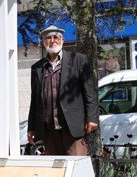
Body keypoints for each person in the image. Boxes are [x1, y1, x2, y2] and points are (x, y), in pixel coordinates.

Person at [27, 25, 99, 155]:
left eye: (56, 37)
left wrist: (92, 117)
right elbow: (35, 100)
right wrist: (31, 127)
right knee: (56, 172)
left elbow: (89, 92)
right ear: (44, 42)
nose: (53, 40)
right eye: (48, 38)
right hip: (48, 130)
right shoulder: (37, 68)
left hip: (72, 127)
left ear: (62, 40)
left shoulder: (78, 60)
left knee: (77, 168)